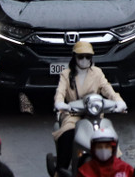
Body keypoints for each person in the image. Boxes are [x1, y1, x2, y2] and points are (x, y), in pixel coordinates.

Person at [53, 42, 127, 174]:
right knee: (67, 133)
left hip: (95, 115)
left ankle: (118, 170)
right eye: (81, 57)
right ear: (74, 57)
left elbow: (108, 89)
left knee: (110, 138)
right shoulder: (66, 73)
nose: (84, 60)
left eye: (87, 57)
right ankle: (61, 171)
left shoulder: (97, 73)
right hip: (73, 114)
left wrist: (119, 102)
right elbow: (60, 92)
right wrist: (60, 104)